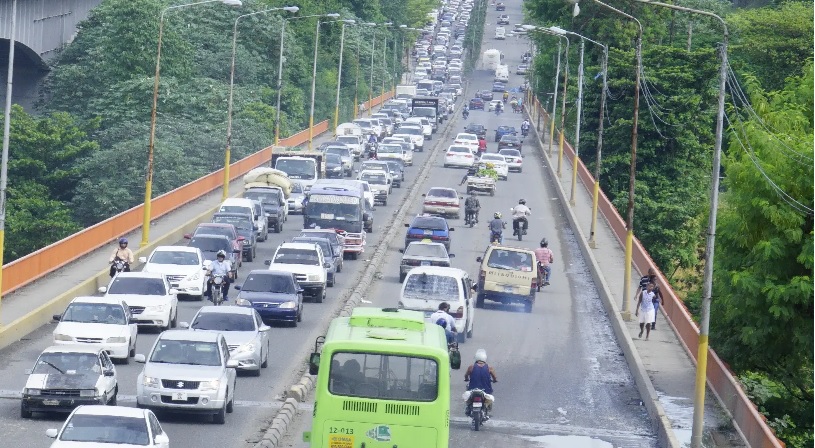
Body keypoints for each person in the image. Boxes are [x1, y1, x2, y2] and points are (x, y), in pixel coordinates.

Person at [463, 349, 497, 415]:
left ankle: (468, 408)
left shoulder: (471, 367)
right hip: (486, 390)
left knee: (468, 398)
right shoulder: (489, 368)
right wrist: (494, 380)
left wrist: (466, 379)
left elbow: (466, 375)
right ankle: (488, 407)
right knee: (489, 397)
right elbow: (495, 377)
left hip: (472, 389)